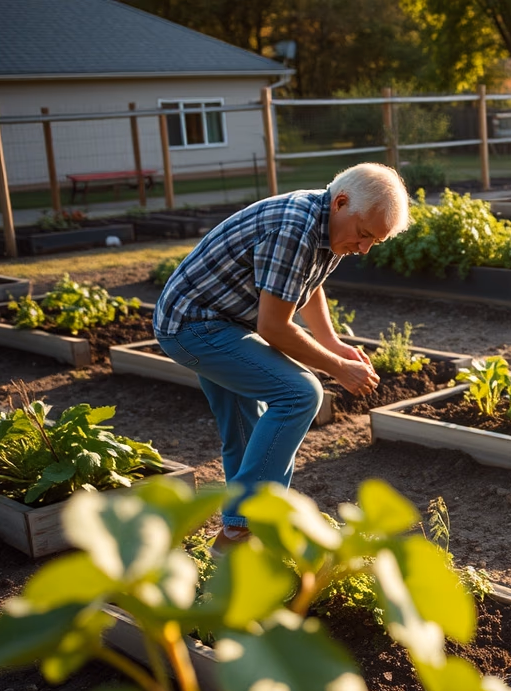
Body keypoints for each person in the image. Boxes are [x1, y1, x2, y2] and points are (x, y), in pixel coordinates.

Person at [153, 163, 410, 551]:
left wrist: (332, 341)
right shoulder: (296, 229)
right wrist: (337, 367)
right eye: (363, 235)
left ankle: (240, 536)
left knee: (245, 426)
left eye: (374, 241)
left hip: (219, 321)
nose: (363, 248)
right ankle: (242, 529)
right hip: (192, 325)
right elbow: (273, 327)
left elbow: (308, 285)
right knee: (301, 393)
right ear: (341, 202)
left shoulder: (329, 223)